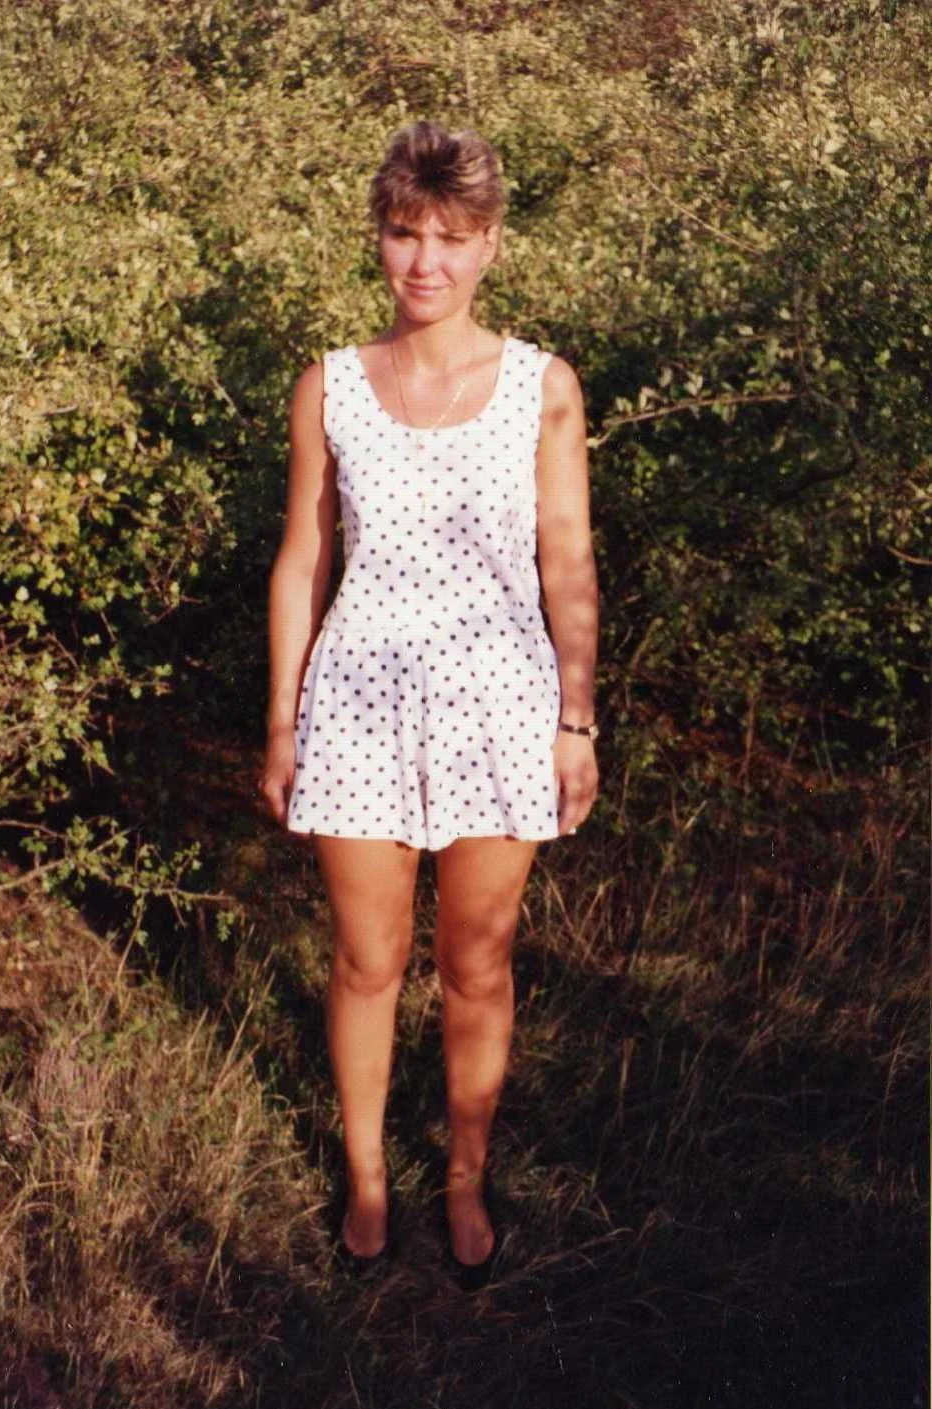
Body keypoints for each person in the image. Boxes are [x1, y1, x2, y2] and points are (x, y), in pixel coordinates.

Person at [260, 120, 598, 1275]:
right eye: (405, 233)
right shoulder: (329, 386)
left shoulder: (541, 387)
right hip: (355, 703)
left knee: (477, 964)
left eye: (451, 238)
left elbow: (567, 563)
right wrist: (281, 720)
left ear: (489, 244)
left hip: (502, 703)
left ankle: (462, 1177)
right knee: (367, 961)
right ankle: (364, 1178)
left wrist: (574, 721)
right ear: (379, 236)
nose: (425, 262)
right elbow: (303, 558)